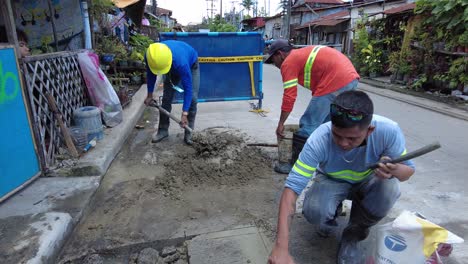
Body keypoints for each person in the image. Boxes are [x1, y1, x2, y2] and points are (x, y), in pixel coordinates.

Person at [267, 90, 415, 264]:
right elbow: (291, 189)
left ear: (369, 130)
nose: (344, 144)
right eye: (337, 136)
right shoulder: (319, 139)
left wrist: (394, 169)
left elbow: (408, 172)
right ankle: (331, 215)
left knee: (389, 188)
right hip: (331, 180)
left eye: (352, 138)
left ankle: (353, 236)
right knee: (315, 211)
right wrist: (281, 247)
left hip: (369, 182)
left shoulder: (389, 131)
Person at [264, 39, 360, 174]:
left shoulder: (289, 62)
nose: (275, 65)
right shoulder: (300, 55)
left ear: (280, 54)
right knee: (327, 126)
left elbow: (289, 97)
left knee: (308, 123)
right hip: (350, 79)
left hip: (336, 80)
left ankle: (295, 166)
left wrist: (281, 123)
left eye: (273, 60)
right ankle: (330, 163)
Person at [143, 40, 199, 145]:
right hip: (171, 66)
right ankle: (163, 130)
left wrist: (184, 113)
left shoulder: (181, 62)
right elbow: (151, 75)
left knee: (193, 99)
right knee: (166, 98)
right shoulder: (150, 57)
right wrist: (149, 95)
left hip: (191, 64)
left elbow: (188, 88)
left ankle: (189, 132)